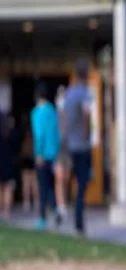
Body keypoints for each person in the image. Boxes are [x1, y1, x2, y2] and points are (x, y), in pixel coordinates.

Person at [64, 59, 92, 237]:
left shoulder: (69, 93)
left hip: (69, 145)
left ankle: (64, 209)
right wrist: (87, 134)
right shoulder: (85, 93)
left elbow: (64, 117)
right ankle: (79, 225)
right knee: (82, 184)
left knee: (69, 180)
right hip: (82, 146)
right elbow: (87, 115)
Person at [31, 81, 61, 230]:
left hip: (43, 154)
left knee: (42, 187)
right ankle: (55, 210)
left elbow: (39, 134)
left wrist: (38, 153)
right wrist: (55, 152)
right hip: (52, 154)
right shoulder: (52, 111)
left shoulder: (37, 113)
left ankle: (43, 218)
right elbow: (57, 134)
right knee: (50, 184)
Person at [54, 85, 70, 220]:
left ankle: (65, 202)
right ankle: (61, 205)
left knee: (66, 178)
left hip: (68, 149)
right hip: (57, 149)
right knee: (59, 178)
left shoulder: (70, 113)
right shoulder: (54, 114)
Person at [0, 113, 20, 220]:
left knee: (1, 187)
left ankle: (1, 208)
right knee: (8, 187)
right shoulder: (12, 132)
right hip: (10, 163)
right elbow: (17, 148)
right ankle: (6, 210)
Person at [20, 114, 38, 212]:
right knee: (34, 181)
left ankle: (27, 202)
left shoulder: (23, 133)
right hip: (32, 156)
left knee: (27, 181)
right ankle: (35, 201)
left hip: (26, 157)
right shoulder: (35, 131)